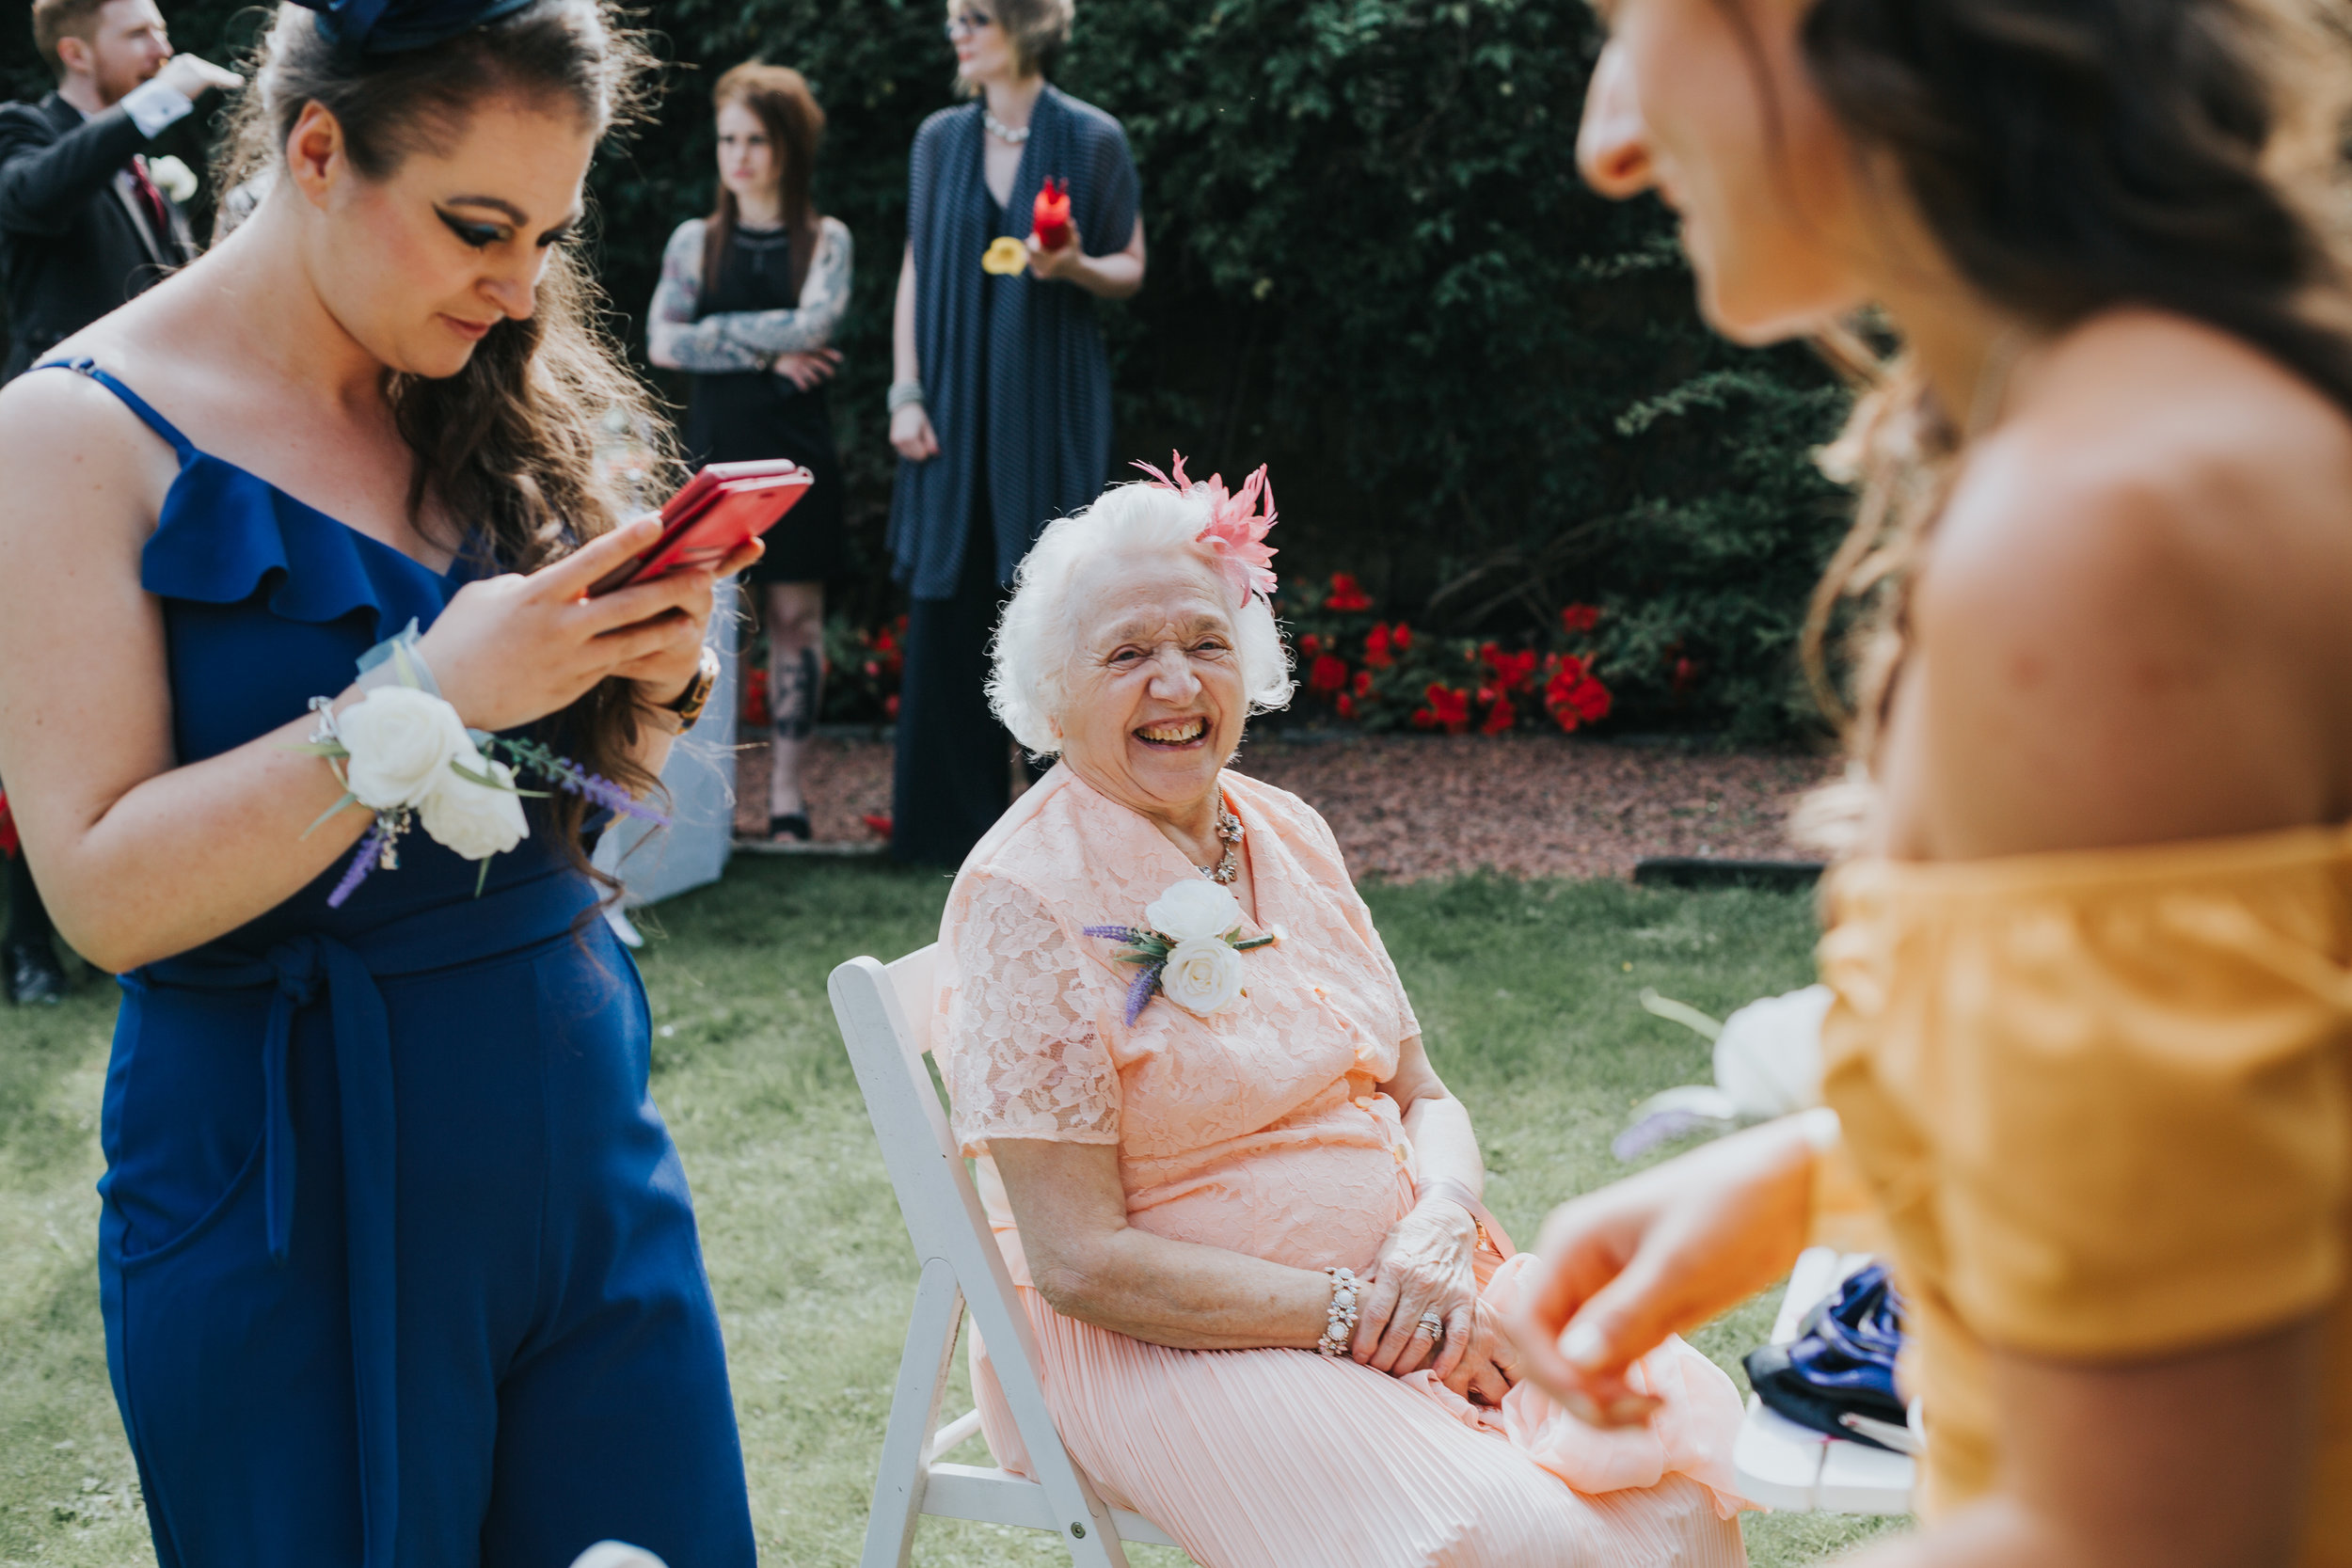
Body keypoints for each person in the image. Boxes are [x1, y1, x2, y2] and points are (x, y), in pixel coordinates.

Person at [1510, 4, 2352, 1564]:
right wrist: (1816, 1181)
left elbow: (2159, 1530)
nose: (1608, 142)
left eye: (1631, 22)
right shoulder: (2214, 414)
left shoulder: (2102, 538)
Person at [0, 0, 760, 1562]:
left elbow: (580, 794)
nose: (520, 282)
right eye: (479, 226)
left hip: (578, 1150)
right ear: (319, 149)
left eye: (549, 233)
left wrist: (646, 675)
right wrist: (428, 692)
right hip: (285, 1196)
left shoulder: (482, 389)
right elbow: (99, 895)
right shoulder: (65, 437)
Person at [931, 465, 1750, 1567]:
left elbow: (1425, 1094)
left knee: (1664, 1467)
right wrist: (1355, 1310)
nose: (1175, 683)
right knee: (1514, 1535)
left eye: (1205, 643)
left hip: (1417, 1278)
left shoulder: (1285, 828)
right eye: (1128, 653)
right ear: (1051, 690)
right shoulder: (1023, 896)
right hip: (1160, 1336)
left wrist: (1441, 1224)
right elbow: (1080, 1261)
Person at [0, 0, 239, 1004]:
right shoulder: (32, 133)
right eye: (138, 33)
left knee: (154, 680)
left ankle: (157, 903)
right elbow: (32, 200)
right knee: (45, 701)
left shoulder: (148, 168)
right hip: (57, 467)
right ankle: (28, 942)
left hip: (161, 459)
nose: (161, 47)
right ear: (75, 48)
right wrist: (151, 106)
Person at [886, 0, 1143, 865]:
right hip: (951, 402)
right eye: (955, 17)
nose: (957, 30)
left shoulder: (1093, 137)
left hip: (1048, 400)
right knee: (951, 597)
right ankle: (942, 835)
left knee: (1056, 601)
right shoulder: (937, 140)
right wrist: (905, 392)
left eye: (977, 16)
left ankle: (1065, 828)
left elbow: (1130, 265)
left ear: (1029, 25)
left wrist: (1071, 265)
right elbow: (917, 268)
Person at [647, 60, 851, 844]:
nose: (738, 155)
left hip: (798, 455)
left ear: (788, 146)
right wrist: (768, 356)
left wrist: (720, 340)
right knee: (710, 620)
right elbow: (664, 341)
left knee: (798, 621)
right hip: (717, 454)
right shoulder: (694, 242)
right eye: (728, 138)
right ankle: (705, 805)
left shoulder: (825, 240)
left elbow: (816, 327)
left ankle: (790, 799)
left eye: (756, 139)